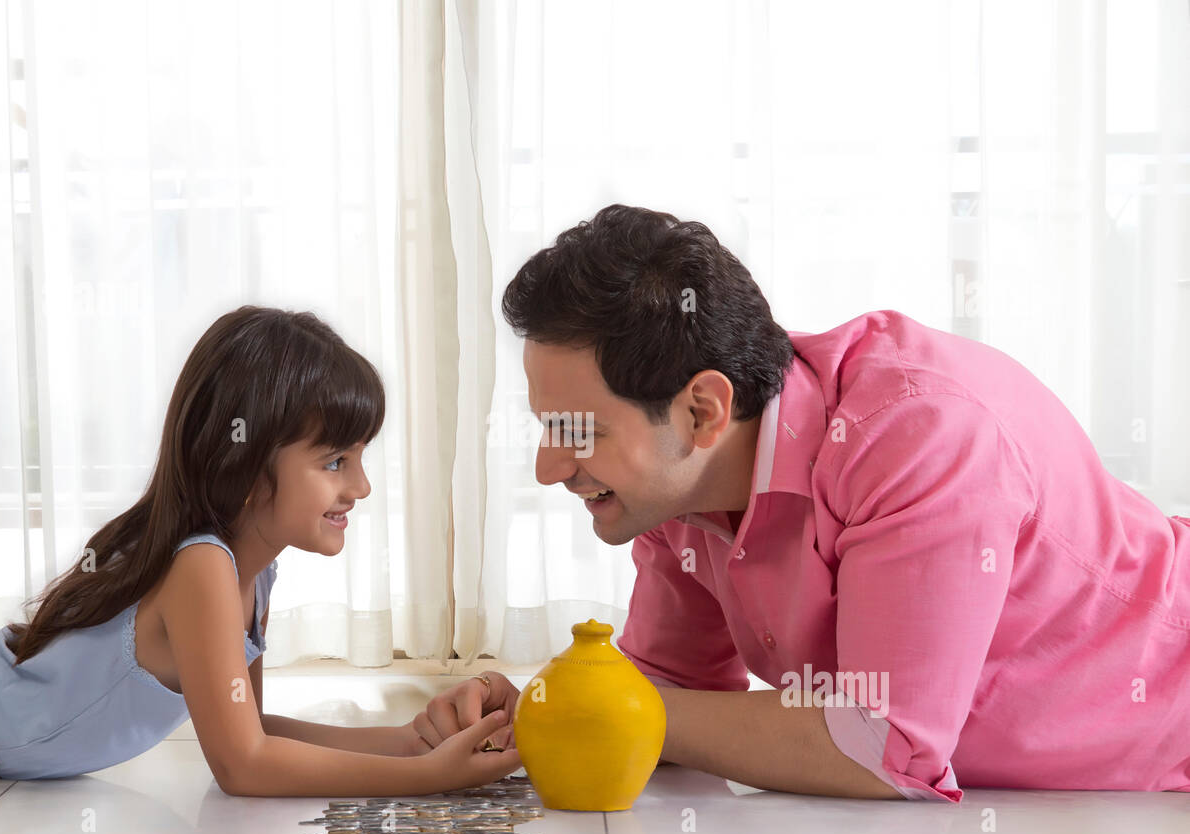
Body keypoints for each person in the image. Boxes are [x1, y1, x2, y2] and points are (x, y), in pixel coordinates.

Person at [474, 202, 1190, 803]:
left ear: (702, 411)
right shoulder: (677, 491)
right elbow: (673, 694)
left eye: (580, 432)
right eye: (546, 427)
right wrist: (533, 712)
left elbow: (884, 743)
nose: (547, 467)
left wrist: (613, 706)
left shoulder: (919, 434)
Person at [0, 306, 520, 795]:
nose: (360, 486)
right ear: (244, 466)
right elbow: (243, 767)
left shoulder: (255, 572)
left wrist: (410, 742)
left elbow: (254, 730)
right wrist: (431, 776)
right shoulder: (202, 568)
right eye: (335, 461)